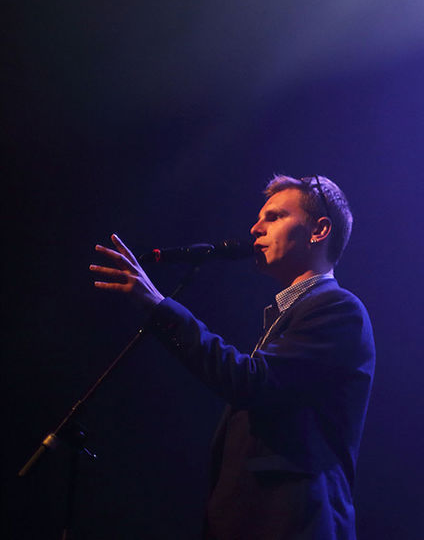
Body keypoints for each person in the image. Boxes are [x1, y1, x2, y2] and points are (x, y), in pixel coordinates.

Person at [90, 174, 375, 540]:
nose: (256, 228)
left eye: (274, 217)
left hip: (293, 524)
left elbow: (249, 382)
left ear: (319, 230)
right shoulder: (288, 316)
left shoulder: (338, 309)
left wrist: (160, 307)